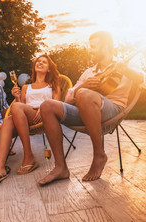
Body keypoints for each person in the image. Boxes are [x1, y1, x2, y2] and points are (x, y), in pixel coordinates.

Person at [38, 31, 145, 185]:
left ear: (106, 47)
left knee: (84, 95)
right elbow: (68, 99)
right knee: (47, 105)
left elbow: (143, 81)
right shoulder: (89, 72)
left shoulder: (125, 64)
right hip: (85, 110)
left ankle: (99, 154)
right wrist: (84, 85)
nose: (91, 50)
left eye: (94, 46)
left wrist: (126, 70)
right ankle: (60, 167)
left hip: (113, 109)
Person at [0, 54, 61, 184]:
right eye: (38, 61)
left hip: (44, 115)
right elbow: (20, 105)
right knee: (7, 119)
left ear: (49, 69)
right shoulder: (26, 87)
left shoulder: (52, 85)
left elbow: (57, 104)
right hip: (25, 116)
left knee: (15, 109)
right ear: (34, 66)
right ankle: (0, 168)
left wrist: (44, 107)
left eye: (44, 62)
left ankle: (28, 156)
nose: (40, 63)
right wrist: (17, 96)